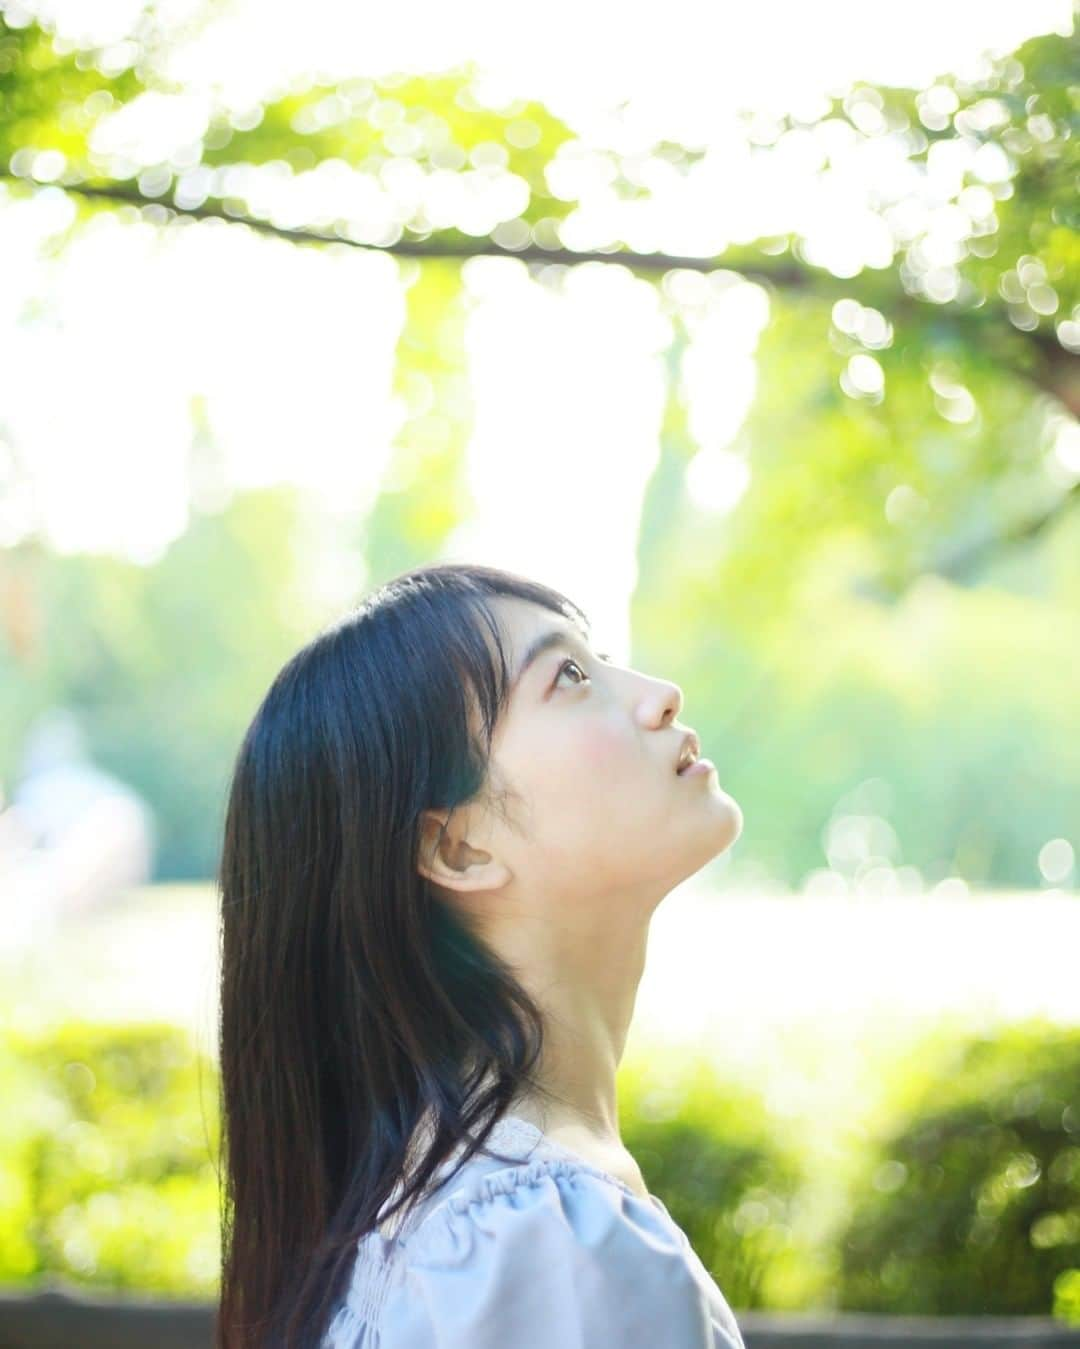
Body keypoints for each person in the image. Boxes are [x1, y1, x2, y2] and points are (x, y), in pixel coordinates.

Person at [215, 561, 745, 1348]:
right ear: (458, 847)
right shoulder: (545, 1243)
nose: (658, 691)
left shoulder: (459, 1218)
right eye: (568, 675)